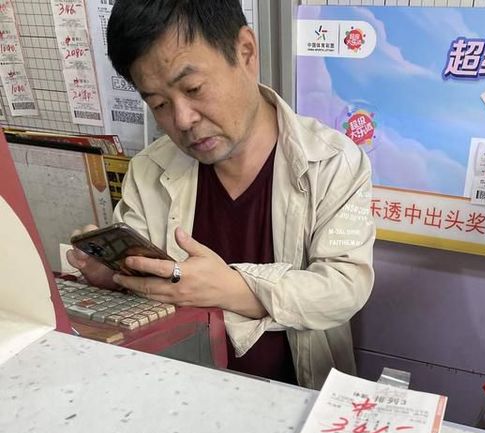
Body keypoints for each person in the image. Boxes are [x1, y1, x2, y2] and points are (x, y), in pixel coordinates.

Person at [67, 0, 374, 389]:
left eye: (194, 88)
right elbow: (148, 283)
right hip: (179, 389)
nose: (182, 120)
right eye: (159, 104)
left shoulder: (333, 161)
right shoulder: (149, 170)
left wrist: (232, 288)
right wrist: (116, 276)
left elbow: (344, 288)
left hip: (298, 398)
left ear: (245, 52)